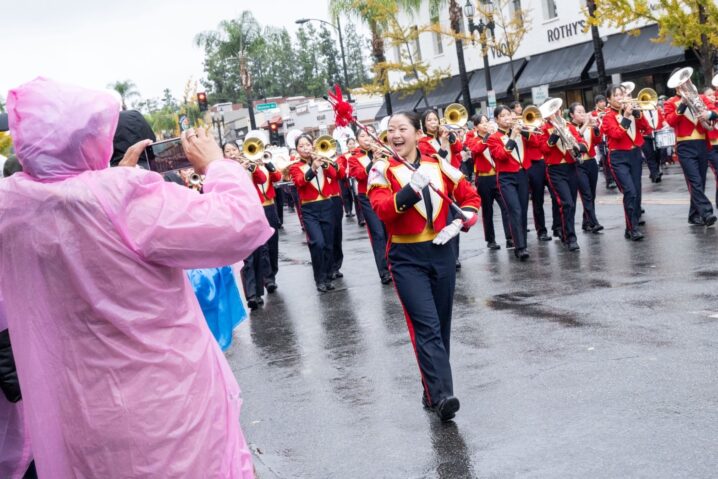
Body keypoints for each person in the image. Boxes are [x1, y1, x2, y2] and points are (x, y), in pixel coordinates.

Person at [0, 77, 273, 478]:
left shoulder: (12, 206)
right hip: (165, 409)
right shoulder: (123, 196)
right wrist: (216, 165)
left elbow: (72, 210)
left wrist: (111, 180)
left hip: (80, 412)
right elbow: (240, 224)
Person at [367, 111, 480, 421]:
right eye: (391, 130)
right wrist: (409, 191)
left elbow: (469, 196)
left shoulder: (437, 163)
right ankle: (443, 396)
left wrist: (460, 222)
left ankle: (431, 388)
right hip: (406, 257)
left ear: (418, 134)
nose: (395, 135)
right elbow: (382, 210)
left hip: (442, 250)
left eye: (402, 128)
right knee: (426, 326)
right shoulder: (380, 168)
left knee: (441, 325)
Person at [487, 104, 541, 260]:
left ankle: (522, 243)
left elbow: (535, 143)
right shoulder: (493, 138)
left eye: (508, 115)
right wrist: (512, 137)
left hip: (522, 174)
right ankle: (520, 247)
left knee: (522, 210)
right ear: (497, 120)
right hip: (506, 177)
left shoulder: (520, 131)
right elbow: (501, 155)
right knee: (515, 210)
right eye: (502, 116)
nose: (507, 118)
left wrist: (524, 130)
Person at [664, 74, 718, 226]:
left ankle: (694, 215)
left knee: (700, 181)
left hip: (702, 143)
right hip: (685, 145)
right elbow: (670, 121)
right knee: (694, 181)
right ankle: (706, 212)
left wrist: (709, 114)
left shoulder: (701, 98)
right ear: (676, 86)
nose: (685, 84)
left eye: (687, 80)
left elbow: (715, 110)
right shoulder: (670, 102)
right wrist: (682, 104)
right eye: (681, 82)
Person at [601, 84, 652, 240]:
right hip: (618, 157)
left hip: (635, 154)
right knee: (629, 191)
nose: (620, 98)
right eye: (616, 95)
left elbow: (647, 129)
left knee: (636, 192)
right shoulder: (607, 117)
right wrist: (627, 116)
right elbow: (616, 134)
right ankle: (632, 228)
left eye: (622, 94)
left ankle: (631, 227)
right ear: (609, 99)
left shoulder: (631, 111)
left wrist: (638, 114)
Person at [289, 134, 338, 292]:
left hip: (327, 204)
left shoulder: (322, 159)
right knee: (318, 243)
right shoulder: (295, 166)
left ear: (313, 146)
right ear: (297, 149)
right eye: (301, 146)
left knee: (329, 244)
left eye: (307, 145)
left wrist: (324, 164)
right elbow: (300, 182)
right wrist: (313, 168)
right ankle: (320, 279)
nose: (305, 148)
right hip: (309, 208)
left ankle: (329, 276)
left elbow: (335, 175)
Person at [419, 109, 464, 268]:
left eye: (435, 119)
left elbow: (458, 149)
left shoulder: (445, 135)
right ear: (424, 124)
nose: (433, 123)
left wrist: (451, 137)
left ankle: (455, 256)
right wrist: (444, 144)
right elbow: (436, 162)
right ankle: (447, 255)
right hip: (439, 183)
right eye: (429, 120)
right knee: (445, 219)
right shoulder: (423, 143)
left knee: (457, 219)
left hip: (454, 181)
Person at [347, 126, 391, 284]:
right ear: (357, 140)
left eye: (370, 135)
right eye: (363, 136)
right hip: (367, 196)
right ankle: (384, 271)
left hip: (386, 193)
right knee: (378, 233)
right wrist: (373, 161)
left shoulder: (383, 150)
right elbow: (359, 175)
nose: (367, 139)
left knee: (389, 231)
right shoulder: (354, 158)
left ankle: (395, 265)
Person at [540, 107, 587, 251]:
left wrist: (579, 146)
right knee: (567, 203)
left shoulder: (569, 126)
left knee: (572, 204)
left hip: (571, 167)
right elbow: (544, 149)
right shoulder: (542, 129)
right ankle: (570, 237)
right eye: (552, 111)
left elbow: (582, 141)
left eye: (557, 110)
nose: (555, 113)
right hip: (555, 170)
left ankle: (566, 232)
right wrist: (554, 136)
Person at [465, 113, 511, 249]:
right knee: (487, 210)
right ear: (475, 127)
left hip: (498, 176)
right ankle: (491, 240)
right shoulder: (473, 139)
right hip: (484, 178)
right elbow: (476, 149)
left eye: (487, 121)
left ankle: (510, 237)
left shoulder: (495, 137)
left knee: (506, 207)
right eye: (482, 122)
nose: (485, 124)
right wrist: (487, 137)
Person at [568, 102, 604, 233]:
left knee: (592, 194)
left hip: (591, 161)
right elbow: (575, 139)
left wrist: (595, 128)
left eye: (583, 111)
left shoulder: (587, 125)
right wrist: (586, 124)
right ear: (572, 115)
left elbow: (597, 141)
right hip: (578, 164)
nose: (583, 114)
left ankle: (586, 221)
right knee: (586, 194)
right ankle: (594, 222)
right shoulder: (569, 127)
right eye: (579, 112)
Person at [591, 95, 617, 190]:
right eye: (600, 102)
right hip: (601, 139)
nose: (603, 103)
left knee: (612, 158)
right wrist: (598, 117)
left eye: (604, 101)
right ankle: (609, 180)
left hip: (610, 137)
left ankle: (614, 178)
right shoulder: (593, 113)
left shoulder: (609, 110)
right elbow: (593, 126)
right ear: (597, 103)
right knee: (605, 159)